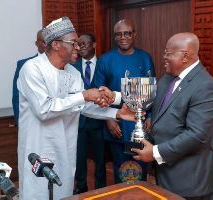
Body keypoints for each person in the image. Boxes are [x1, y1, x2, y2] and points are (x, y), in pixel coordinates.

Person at [17, 17, 136, 200]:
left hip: (65, 146)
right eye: (73, 43)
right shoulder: (33, 69)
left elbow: (83, 107)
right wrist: (84, 95)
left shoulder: (73, 72)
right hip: (39, 148)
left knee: (63, 191)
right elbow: (44, 110)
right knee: (39, 193)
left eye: (79, 44)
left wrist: (116, 112)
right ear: (56, 45)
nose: (78, 48)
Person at [132, 32, 213, 199]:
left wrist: (155, 153)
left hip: (190, 180)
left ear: (185, 56)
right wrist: (115, 97)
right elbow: (146, 97)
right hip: (166, 173)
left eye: (168, 52)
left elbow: (197, 135)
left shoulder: (205, 86)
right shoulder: (168, 77)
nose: (164, 57)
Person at [95, 19, 156, 184]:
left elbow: (151, 90)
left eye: (127, 33)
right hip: (117, 126)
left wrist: (149, 116)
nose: (123, 37)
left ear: (134, 34)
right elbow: (98, 93)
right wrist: (108, 118)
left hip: (140, 124)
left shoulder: (145, 58)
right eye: (118, 34)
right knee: (121, 168)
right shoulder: (105, 60)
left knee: (139, 166)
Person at [72, 33, 106, 194]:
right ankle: (81, 186)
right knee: (79, 157)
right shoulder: (72, 66)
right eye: (79, 44)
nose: (81, 47)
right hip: (78, 121)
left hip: (99, 121)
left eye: (85, 43)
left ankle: (100, 188)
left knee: (100, 158)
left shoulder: (103, 63)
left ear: (94, 45)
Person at [12, 30, 46, 126]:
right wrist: (20, 122)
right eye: (45, 42)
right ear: (37, 43)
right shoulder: (24, 64)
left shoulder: (61, 65)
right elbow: (17, 97)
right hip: (30, 121)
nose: (48, 45)